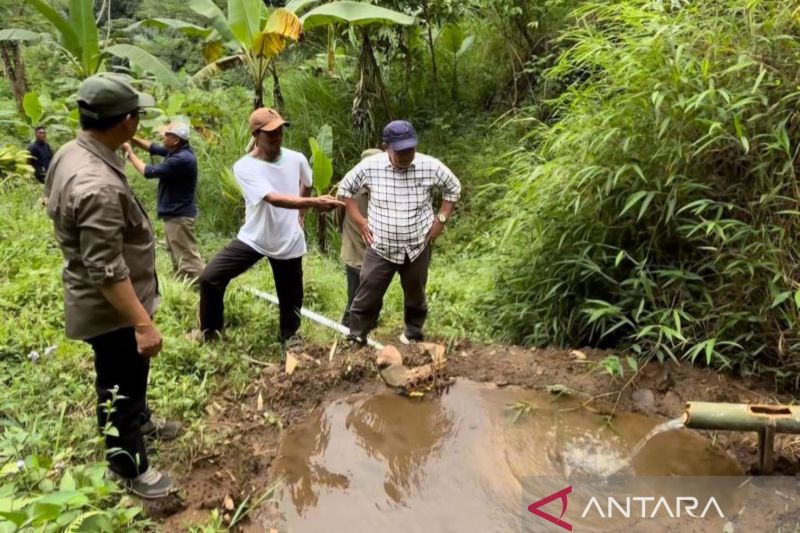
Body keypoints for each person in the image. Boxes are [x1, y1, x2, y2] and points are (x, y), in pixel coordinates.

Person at [44, 73, 180, 499]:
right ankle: (129, 467)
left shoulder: (73, 150)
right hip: (114, 309)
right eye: (137, 113)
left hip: (110, 299)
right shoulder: (97, 185)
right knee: (120, 381)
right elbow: (106, 268)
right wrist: (142, 323)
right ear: (125, 121)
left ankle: (140, 421)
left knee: (128, 376)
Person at [196, 108, 343, 346]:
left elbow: (306, 182)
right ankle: (210, 331)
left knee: (291, 296)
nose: (277, 137)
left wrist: (301, 214)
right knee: (210, 278)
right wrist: (315, 203)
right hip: (254, 238)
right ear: (256, 135)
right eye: (270, 133)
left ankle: (290, 336)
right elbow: (273, 198)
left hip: (288, 239)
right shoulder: (245, 167)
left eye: (279, 131)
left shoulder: (296, 158)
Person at [339, 120, 461, 345]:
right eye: (400, 151)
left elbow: (453, 188)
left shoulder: (430, 166)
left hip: (417, 245)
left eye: (410, 149)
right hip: (380, 247)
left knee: (416, 295)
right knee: (366, 297)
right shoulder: (370, 166)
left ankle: (413, 334)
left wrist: (441, 219)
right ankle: (357, 337)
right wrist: (360, 221)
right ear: (387, 147)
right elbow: (345, 190)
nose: (407, 154)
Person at [123, 122, 204, 282]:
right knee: (177, 255)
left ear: (175, 140)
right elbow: (152, 147)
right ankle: (186, 287)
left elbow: (148, 172)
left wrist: (129, 153)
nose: (163, 136)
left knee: (188, 258)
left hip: (179, 216)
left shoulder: (182, 159)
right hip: (174, 214)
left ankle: (205, 288)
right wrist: (131, 138)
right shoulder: (177, 151)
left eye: (167, 134)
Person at [336, 148, 381, 328]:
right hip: (354, 250)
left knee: (374, 291)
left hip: (377, 252)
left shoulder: (384, 188)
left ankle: (371, 321)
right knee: (355, 292)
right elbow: (338, 216)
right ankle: (349, 323)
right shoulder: (347, 188)